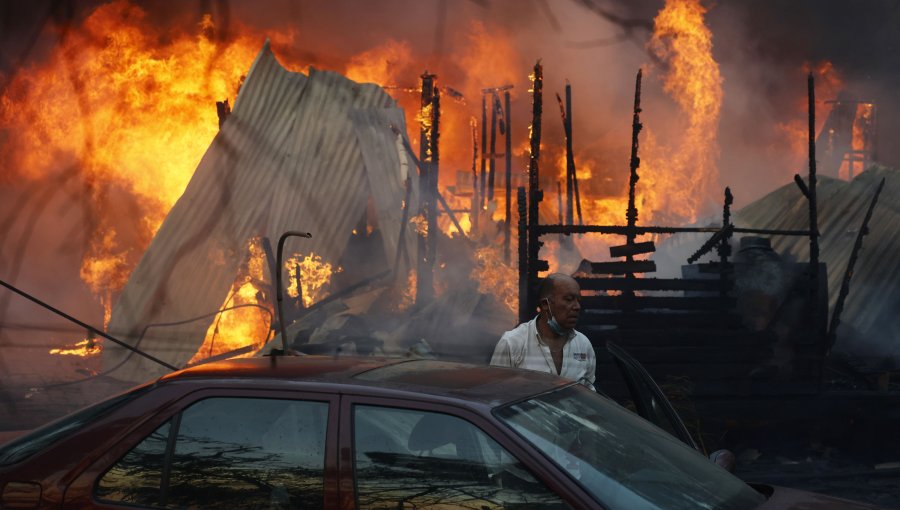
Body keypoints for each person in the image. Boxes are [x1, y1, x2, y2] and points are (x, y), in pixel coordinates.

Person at [490, 273, 596, 390]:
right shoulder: (512, 343)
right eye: (569, 299)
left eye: (578, 300)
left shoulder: (583, 344)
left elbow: (589, 392)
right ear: (546, 304)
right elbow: (496, 394)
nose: (577, 306)